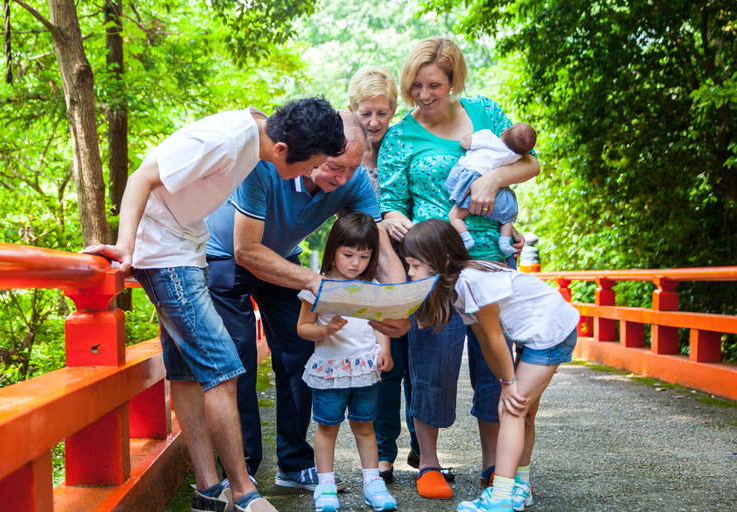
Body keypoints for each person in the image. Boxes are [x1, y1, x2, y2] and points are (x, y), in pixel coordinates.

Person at [84, 98, 347, 512]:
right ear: (282, 150)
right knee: (223, 368)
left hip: (188, 247)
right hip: (165, 253)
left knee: (188, 373)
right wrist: (125, 247)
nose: (307, 174)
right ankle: (243, 492)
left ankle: (208, 491)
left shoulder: (261, 131)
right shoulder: (226, 140)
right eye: (307, 165)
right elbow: (141, 177)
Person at [204, 110, 409, 492]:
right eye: (335, 166)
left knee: (300, 350)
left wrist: (399, 306)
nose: (343, 178)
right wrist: (320, 284)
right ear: (315, 150)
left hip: (282, 257)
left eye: (352, 168)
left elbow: (377, 246)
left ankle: (294, 464)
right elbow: (246, 250)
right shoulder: (266, 166)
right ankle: (243, 467)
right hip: (227, 255)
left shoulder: (353, 179)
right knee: (238, 357)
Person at [377, 37, 540, 500]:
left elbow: (528, 162)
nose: (423, 96)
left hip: (492, 260)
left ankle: (495, 463)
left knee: (496, 363)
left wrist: (492, 178)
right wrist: (392, 217)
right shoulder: (401, 135)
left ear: (453, 82)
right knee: (434, 363)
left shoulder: (485, 112)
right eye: (415, 87)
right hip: (434, 267)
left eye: (434, 85)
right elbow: (390, 202)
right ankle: (428, 462)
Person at [400, 219, 579, 512]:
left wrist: (509, 386)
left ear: (442, 259)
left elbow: (496, 338)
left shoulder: (471, 280)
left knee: (512, 410)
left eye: (416, 264)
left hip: (549, 332)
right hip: (536, 332)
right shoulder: (457, 285)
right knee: (523, 412)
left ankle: (501, 499)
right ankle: (520, 487)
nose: (411, 272)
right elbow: (483, 342)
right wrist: (504, 383)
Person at [296, 212, 399, 512]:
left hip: (365, 369)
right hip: (330, 370)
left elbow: (379, 325)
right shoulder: (319, 286)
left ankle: (373, 483)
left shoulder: (374, 287)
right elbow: (303, 328)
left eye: (364, 256)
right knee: (327, 427)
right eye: (348, 254)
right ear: (333, 251)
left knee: (366, 426)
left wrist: (385, 350)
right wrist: (325, 329)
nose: (356, 263)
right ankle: (325, 485)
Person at [347, 65, 420, 483]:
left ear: (393, 112)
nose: (374, 123)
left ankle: (420, 447)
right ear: (352, 109)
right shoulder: (344, 154)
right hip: (367, 270)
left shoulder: (402, 149)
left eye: (382, 114)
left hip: (409, 264)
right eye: (366, 113)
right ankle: (385, 451)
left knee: (415, 361)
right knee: (384, 363)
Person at [446, 123, 537, 256]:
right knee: (506, 215)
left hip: (469, 177)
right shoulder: (516, 157)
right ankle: (505, 242)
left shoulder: (488, 137)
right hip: (493, 193)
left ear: (503, 132)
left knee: (454, 216)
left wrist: (466, 137)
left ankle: (466, 240)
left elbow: (465, 143)